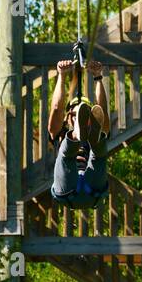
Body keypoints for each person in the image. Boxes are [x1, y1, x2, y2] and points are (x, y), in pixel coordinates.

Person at [47, 57, 110, 207]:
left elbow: (102, 111)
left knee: (98, 155)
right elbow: (57, 108)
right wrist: (61, 76)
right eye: (74, 115)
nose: (76, 119)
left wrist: (98, 77)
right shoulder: (60, 131)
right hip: (68, 189)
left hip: (92, 189)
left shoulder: (98, 125)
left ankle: (91, 137)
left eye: (82, 116)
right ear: (68, 117)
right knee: (66, 155)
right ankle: (76, 135)